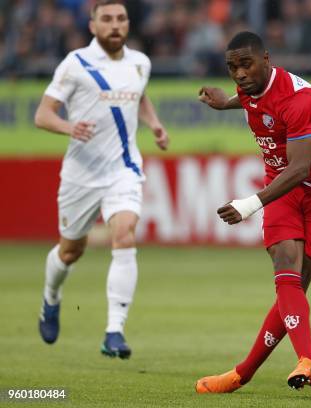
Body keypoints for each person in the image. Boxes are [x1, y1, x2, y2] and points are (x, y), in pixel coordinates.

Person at [196, 31, 311, 393]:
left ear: (267, 58)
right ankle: (306, 361)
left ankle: (241, 374)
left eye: (246, 64)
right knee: (285, 269)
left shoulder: (300, 99)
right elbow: (251, 100)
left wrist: (249, 205)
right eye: (232, 67)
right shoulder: (248, 89)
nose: (239, 74)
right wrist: (224, 103)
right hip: (283, 193)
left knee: (296, 287)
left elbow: (300, 169)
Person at [34, 0, 169, 359]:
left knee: (124, 233)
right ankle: (51, 297)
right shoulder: (75, 64)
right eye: (106, 19)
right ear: (92, 25)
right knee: (70, 251)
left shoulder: (141, 63)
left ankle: (114, 332)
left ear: (127, 24)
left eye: (120, 19)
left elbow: (139, 97)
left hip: (123, 169)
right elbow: (43, 114)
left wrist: (154, 124)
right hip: (81, 175)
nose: (115, 25)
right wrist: (68, 127)